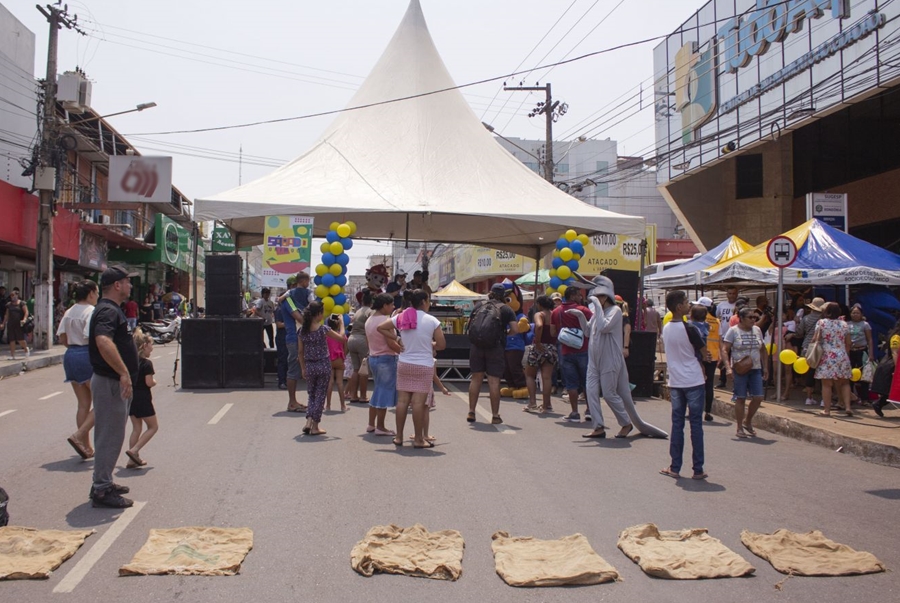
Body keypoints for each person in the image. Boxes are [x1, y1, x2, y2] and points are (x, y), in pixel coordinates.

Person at [574, 276, 668, 440]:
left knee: (610, 394)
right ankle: (598, 427)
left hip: (610, 359)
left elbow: (604, 328)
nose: (597, 300)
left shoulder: (615, 312)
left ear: (606, 296)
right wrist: (580, 316)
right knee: (590, 392)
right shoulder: (598, 314)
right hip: (594, 360)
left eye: (600, 297)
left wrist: (595, 304)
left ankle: (626, 423)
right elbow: (589, 332)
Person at [88, 266, 140, 508]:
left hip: (112, 382)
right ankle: (101, 490)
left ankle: (104, 481)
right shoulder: (108, 311)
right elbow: (103, 340)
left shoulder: (112, 310)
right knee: (109, 436)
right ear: (117, 285)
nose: (130, 286)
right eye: (128, 282)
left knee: (112, 435)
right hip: (110, 382)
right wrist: (123, 372)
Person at [379, 289, 445, 448]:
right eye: (428, 300)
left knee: (402, 401)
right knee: (418, 404)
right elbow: (442, 345)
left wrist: (397, 338)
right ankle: (418, 439)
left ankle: (399, 437)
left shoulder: (402, 317)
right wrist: (430, 344)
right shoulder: (432, 321)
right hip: (424, 365)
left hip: (404, 363)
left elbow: (380, 328)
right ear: (423, 302)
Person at [660, 290, 707, 480]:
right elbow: (703, 352)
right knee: (696, 425)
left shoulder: (666, 328)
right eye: (687, 302)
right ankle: (698, 469)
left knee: (677, 424)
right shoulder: (690, 329)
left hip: (676, 381)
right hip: (694, 380)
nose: (690, 305)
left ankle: (675, 467)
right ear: (679, 307)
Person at [58, 280, 99, 460]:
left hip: (70, 354)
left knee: (83, 404)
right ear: (91, 293)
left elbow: (63, 338)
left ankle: (86, 447)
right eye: (96, 293)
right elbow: (90, 338)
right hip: (85, 355)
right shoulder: (91, 311)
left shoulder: (69, 311)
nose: (98, 296)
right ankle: (80, 435)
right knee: (102, 401)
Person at [467, 283, 519, 425]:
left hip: (476, 346)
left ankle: (471, 411)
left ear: (490, 293)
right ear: (503, 295)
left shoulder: (479, 305)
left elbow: (470, 324)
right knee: (493, 382)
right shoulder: (506, 309)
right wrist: (505, 334)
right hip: (495, 348)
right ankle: (495, 415)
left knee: (476, 379)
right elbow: (515, 329)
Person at [297, 301, 347, 436]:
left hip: (309, 365)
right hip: (323, 365)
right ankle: (315, 426)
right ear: (318, 314)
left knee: (311, 394)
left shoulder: (302, 331)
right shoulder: (323, 329)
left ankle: (308, 420)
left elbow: (300, 352)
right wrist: (341, 323)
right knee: (320, 396)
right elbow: (342, 338)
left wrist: (303, 368)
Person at [722, 306, 768, 438]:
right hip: (740, 369)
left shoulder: (757, 330)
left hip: (755, 368)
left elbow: (763, 349)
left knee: (758, 397)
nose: (753, 320)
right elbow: (725, 350)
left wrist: (765, 367)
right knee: (741, 398)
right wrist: (728, 368)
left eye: (755, 317)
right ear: (741, 319)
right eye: (750, 317)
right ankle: (739, 427)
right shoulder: (733, 331)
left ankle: (747, 421)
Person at [551, 285, 592, 422]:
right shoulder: (584, 310)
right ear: (573, 296)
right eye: (579, 295)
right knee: (588, 382)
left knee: (571, 384)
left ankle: (574, 413)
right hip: (584, 350)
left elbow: (552, 333)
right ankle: (590, 411)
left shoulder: (556, 312)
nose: (581, 297)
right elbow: (594, 327)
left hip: (565, 351)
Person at [365, 294, 401, 435]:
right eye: (391, 304)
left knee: (378, 390)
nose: (393, 307)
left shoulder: (370, 319)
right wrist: (404, 351)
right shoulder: (386, 321)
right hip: (386, 359)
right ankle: (380, 426)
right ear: (385, 305)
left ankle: (371, 424)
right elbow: (391, 344)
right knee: (384, 392)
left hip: (374, 357)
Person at [812, 302, 853, 417]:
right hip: (842, 355)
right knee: (845, 382)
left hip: (827, 355)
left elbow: (816, 339)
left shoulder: (821, 323)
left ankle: (827, 410)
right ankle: (848, 407)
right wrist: (845, 353)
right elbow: (848, 342)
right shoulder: (844, 324)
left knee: (826, 384)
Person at [125, 328, 158, 468]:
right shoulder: (146, 363)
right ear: (144, 346)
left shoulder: (130, 361)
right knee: (153, 426)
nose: (152, 348)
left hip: (131, 397)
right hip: (143, 397)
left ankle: (132, 460)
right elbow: (149, 382)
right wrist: (155, 382)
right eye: (151, 345)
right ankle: (134, 450)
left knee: (136, 428)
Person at [524, 295, 557, 413]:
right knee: (547, 377)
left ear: (540, 304)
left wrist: (537, 342)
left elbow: (539, 326)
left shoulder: (539, 314)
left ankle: (532, 402)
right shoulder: (554, 314)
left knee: (529, 375)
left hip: (540, 347)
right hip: (552, 347)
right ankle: (546, 405)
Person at [690, 297, 719, 421]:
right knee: (709, 384)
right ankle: (707, 411)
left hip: (699, 356)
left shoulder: (692, 324)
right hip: (713, 356)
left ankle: (694, 409)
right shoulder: (717, 321)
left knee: (695, 383)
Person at [281, 276, 306, 412]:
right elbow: (299, 318)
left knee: (296, 369)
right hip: (294, 338)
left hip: (297, 338)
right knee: (293, 370)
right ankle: (292, 402)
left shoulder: (292, 300)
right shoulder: (289, 300)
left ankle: (294, 401)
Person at [795, 297, 826, 406]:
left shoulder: (806, 318)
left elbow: (799, 333)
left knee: (809, 373)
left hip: (807, 347)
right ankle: (824, 399)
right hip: (822, 347)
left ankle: (809, 398)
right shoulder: (824, 320)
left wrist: (796, 323)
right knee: (823, 374)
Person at [346, 290, 372, 404]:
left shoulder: (357, 311)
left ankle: (353, 395)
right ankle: (363, 396)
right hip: (362, 340)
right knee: (364, 370)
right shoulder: (371, 312)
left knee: (356, 369)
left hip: (352, 339)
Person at [847, 304, 874, 404]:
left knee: (864, 376)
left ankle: (864, 399)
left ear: (861, 314)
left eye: (857, 313)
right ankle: (850, 397)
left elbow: (869, 339)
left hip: (862, 351)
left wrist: (871, 354)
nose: (855, 315)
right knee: (850, 375)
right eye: (853, 313)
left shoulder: (865, 324)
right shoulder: (847, 324)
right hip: (850, 352)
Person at [715, 287, 739, 386]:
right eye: (730, 293)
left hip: (737, 336)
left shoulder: (739, 305)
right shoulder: (721, 305)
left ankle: (736, 381)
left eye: (734, 293)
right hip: (725, 335)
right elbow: (716, 317)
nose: (732, 295)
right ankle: (722, 380)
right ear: (727, 294)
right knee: (724, 357)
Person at [326, 315, 348, 412]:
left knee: (329, 382)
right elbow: (346, 348)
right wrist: (343, 356)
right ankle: (343, 406)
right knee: (340, 383)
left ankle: (328, 405)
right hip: (339, 359)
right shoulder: (342, 335)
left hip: (329, 359)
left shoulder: (326, 335)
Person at [1, 289, 29, 359]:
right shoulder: (9, 305)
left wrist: (24, 319)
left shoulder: (22, 303)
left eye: (14, 295)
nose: (12, 297)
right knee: (12, 340)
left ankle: (26, 349)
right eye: (11, 295)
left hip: (19, 323)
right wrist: (3, 323)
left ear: (17, 295)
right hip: (11, 324)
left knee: (20, 339)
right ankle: (12, 355)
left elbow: (26, 312)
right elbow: (6, 315)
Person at [274, 297, 288, 390]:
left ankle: (285, 379)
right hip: (281, 338)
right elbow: (279, 324)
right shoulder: (279, 310)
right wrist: (290, 323)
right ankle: (281, 381)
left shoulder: (288, 310)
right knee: (283, 359)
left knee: (288, 360)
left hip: (288, 338)